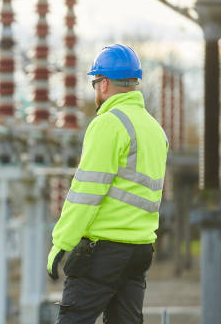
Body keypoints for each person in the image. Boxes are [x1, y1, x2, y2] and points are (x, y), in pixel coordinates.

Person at [47, 44, 169, 323]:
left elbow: (85, 193)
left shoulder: (109, 124)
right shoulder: (155, 130)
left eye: (95, 83)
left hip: (102, 252)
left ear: (103, 84)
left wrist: (60, 244)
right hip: (140, 250)